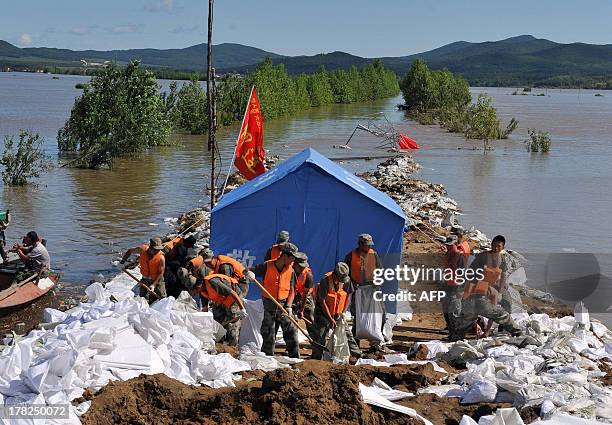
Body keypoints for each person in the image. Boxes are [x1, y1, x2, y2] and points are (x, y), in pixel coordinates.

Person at [451, 235, 521, 341]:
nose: (496, 248)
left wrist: (499, 289)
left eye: (498, 246)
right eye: (494, 245)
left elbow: (503, 275)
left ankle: (458, 336)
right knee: (474, 316)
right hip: (477, 292)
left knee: (500, 311)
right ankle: (517, 332)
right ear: (491, 244)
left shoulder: (502, 259)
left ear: (503, 247)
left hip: (487, 291)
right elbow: (471, 273)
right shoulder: (482, 257)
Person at [250, 242, 300, 358]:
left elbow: (292, 290)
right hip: (269, 305)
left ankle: (295, 358)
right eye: (292, 259)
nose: (293, 262)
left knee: (291, 332)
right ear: (285, 256)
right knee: (269, 334)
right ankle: (268, 359)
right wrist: (249, 274)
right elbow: (249, 271)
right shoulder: (267, 266)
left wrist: (289, 306)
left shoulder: (291, 270)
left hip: (284, 305)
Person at [311, 262, 362, 360]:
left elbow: (348, 297)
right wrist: (330, 319)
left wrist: (342, 312)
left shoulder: (346, 280)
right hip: (323, 312)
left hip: (338, 312)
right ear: (335, 275)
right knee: (320, 335)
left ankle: (357, 354)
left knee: (347, 333)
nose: (342, 281)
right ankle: (316, 358)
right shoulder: (325, 281)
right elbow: (322, 301)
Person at [343, 233, 384, 350]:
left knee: (380, 315)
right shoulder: (350, 256)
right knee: (358, 317)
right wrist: (351, 283)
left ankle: (376, 344)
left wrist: (377, 281)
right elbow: (344, 275)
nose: (369, 247)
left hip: (373, 289)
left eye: (370, 245)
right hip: (358, 289)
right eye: (367, 245)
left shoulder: (373, 254)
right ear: (360, 244)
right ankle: (355, 345)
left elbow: (380, 270)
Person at [199, 270, 248, 346]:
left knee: (232, 323)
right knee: (217, 322)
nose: (194, 292)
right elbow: (205, 310)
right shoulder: (201, 291)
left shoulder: (213, 282)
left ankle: (233, 347)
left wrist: (242, 309)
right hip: (220, 301)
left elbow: (233, 293)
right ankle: (219, 345)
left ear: (199, 285)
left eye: (194, 290)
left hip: (233, 298)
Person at [441, 227, 472, 337]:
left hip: (456, 285)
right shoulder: (455, 250)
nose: (447, 246)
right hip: (450, 282)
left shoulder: (459, 252)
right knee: (449, 307)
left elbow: (461, 270)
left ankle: (457, 334)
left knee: (454, 309)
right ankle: (452, 331)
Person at [292, 252, 315, 335]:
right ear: (295, 264)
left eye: (304, 266)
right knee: (291, 319)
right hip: (293, 295)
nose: (302, 268)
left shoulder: (308, 275)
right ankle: (293, 341)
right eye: (300, 266)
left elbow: (305, 295)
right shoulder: (289, 271)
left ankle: (314, 339)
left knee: (310, 317)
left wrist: (301, 310)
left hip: (305, 296)